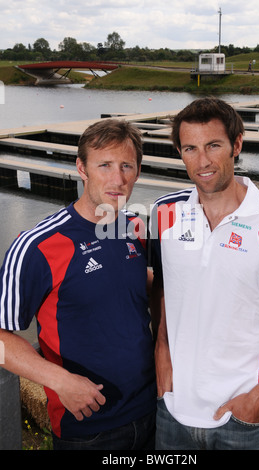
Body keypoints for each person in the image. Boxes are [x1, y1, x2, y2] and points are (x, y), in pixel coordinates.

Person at [150, 97, 259, 450]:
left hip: (243, 418)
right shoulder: (163, 213)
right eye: (190, 148)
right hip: (173, 409)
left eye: (213, 145)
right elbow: (163, 287)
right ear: (179, 151)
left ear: (237, 144)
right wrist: (162, 351)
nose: (202, 161)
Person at [0, 119, 156, 450]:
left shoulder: (134, 229)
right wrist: (58, 380)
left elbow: (126, 291)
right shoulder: (38, 245)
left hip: (151, 411)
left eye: (127, 166)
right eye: (105, 165)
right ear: (81, 168)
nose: (118, 179)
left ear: (138, 171)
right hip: (88, 428)